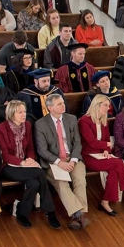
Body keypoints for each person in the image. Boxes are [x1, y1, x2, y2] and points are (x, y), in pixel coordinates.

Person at [0, 100, 59, 229]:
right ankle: (50, 212)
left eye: (24, 111)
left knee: (34, 183)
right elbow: (5, 155)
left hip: (25, 163)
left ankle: (22, 213)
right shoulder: (1, 129)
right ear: (11, 113)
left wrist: (30, 159)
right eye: (20, 112)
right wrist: (22, 162)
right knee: (40, 172)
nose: (24, 114)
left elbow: (30, 147)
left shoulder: (28, 125)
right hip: (7, 166)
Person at [81, 93, 124, 216]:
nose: (108, 108)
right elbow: (91, 142)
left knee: (114, 172)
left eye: (109, 106)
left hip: (102, 155)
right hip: (89, 156)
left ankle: (105, 203)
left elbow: (106, 140)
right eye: (105, 105)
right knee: (118, 162)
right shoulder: (84, 121)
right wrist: (106, 145)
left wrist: (107, 150)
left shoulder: (103, 119)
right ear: (97, 105)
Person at [34, 93, 90, 230]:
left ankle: (78, 216)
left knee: (80, 180)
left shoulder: (71, 119)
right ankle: (79, 214)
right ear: (50, 107)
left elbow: (77, 142)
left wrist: (74, 160)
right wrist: (60, 162)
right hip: (53, 162)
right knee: (61, 183)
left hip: (73, 158)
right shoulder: (40, 124)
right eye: (59, 104)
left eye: (63, 103)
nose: (63, 105)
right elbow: (42, 150)